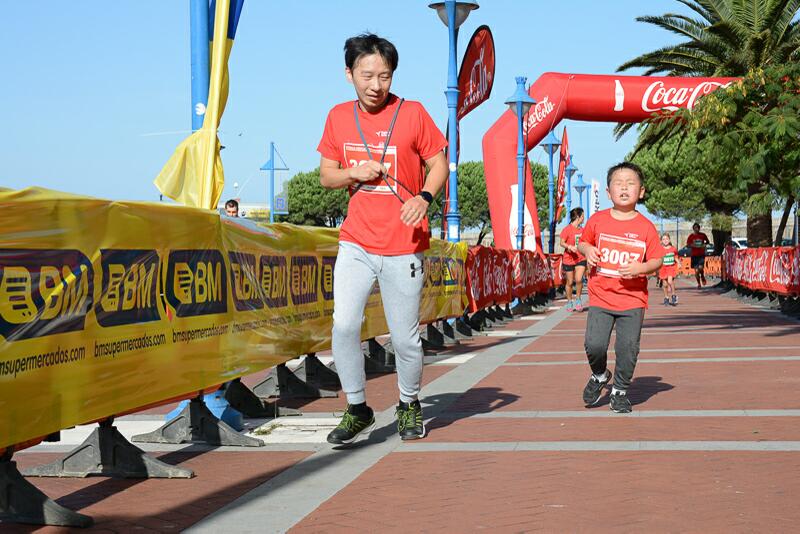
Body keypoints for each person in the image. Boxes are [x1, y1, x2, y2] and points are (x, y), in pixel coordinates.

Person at [317, 33, 448, 444]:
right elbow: (327, 176)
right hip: (356, 242)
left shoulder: (413, 114)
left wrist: (425, 198)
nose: (376, 85)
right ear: (349, 74)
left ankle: (409, 403)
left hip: (403, 244)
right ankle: (357, 409)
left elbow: (439, 164)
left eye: (385, 76)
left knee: (404, 336)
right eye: (367, 75)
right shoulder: (338, 116)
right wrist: (353, 173)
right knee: (343, 326)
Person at [577, 162, 664, 414]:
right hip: (601, 296)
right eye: (618, 183)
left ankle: (620, 391)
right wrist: (588, 250)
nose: (624, 188)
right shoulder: (597, 220)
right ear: (608, 192)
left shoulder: (646, 227)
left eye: (630, 184)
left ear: (642, 191)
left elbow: (657, 260)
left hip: (632, 299)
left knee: (628, 348)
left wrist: (642, 268)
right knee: (594, 345)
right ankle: (600, 374)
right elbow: (583, 243)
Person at [559, 207, 587, 312]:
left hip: (580, 258)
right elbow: (561, 242)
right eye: (583, 216)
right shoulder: (567, 229)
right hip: (569, 258)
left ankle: (578, 299)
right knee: (570, 282)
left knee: (579, 279)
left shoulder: (583, 230)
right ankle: (570, 301)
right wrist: (569, 247)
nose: (584, 218)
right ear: (578, 217)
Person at [686, 222, 711, 288]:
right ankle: (699, 283)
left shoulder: (703, 235)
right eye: (695, 228)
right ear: (693, 229)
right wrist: (692, 245)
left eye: (697, 228)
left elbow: (707, 242)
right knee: (696, 271)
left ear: (699, 228)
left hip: (701, 254)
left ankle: (702, 276)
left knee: (700, 268)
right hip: (694, 255)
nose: (696, 229)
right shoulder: (691, 236)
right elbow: (688, 245)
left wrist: (704, 244)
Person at [659, 233, 678, 306]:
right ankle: (666, 297)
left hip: (671, 267)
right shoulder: (660, 249)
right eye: (663, 239)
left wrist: (678, 263)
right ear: (661, 241)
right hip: (663, 268)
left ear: (669, 240)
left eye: (666, 239)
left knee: (670, 281)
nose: (665, 240)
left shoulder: (673, 248)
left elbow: (676, 256)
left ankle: (673, 295)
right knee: (665, 284)